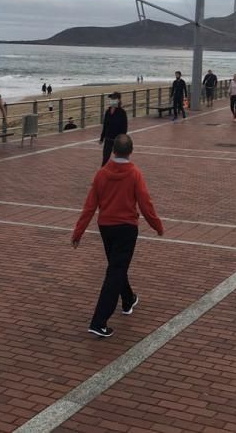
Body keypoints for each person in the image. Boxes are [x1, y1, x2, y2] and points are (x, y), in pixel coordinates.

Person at [71, 134, 164, 338]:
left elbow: (90, 206)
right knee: (115, 271)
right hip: (126, 228)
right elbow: (145, 203)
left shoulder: (102, 174)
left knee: (116, 265)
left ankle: (128, 298)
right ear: (131, 151)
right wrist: (157, 225)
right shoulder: (135, 174)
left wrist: (78, 232)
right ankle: (99, 321)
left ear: (113, 151)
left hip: (106, 227)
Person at [99, 92, 128, 165]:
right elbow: (105, 125)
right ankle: (102, 173)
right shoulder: (108, 111)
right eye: (111, 99)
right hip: (108, 138)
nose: (112, 100)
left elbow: (124, 127)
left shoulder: (122, 112)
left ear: (118, 100)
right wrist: (102, 138)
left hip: (117, 140)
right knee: (105, 158)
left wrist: (122, 139)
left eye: (114, 98)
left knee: (119, 159)